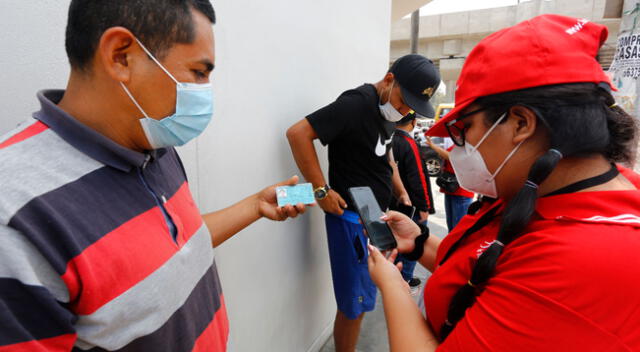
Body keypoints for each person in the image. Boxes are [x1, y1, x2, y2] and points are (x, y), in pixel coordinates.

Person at [0, 1, 308, 351]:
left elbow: (170, 249)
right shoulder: (15, 215)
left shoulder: (154, 143)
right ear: (121, 56)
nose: (206, 90)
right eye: (199, 72)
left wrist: (254, 205)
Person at [366, 14, 640, 351]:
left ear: (520, 123)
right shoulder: (539, 188)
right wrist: (421, 243)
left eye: (463, 129)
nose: (459, 145)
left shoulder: (588, 260)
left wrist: (393, 285)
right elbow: (487, 269)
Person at [286, 54, 441, 351]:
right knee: (353, 306)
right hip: (351, 219)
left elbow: (386, 154)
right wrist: (321, 191)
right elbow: (298, 134)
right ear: (388, 80)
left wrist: (400, 191)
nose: (404, 110)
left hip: (374, 216)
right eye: (403, 101)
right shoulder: (356, 103)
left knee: (365, 296)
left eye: (412, 107)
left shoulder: (388, 112)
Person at [391, 112, 433, 288]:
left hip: (394, 204)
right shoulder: (409, 143)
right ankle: (405, 278)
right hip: (412, 206)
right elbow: (418, 178)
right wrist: (425, 206)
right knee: (413, 243)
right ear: (414, 122)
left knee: (396, 243)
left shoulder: (389, 141)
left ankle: (395, 276)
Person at [426, 136, 474, 231]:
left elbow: (451, 157)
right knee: (451, 225)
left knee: (458, 228)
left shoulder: (469, 146)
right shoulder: (458, 144)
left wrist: (433, 146)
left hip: (461, 192)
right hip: (450, 188)